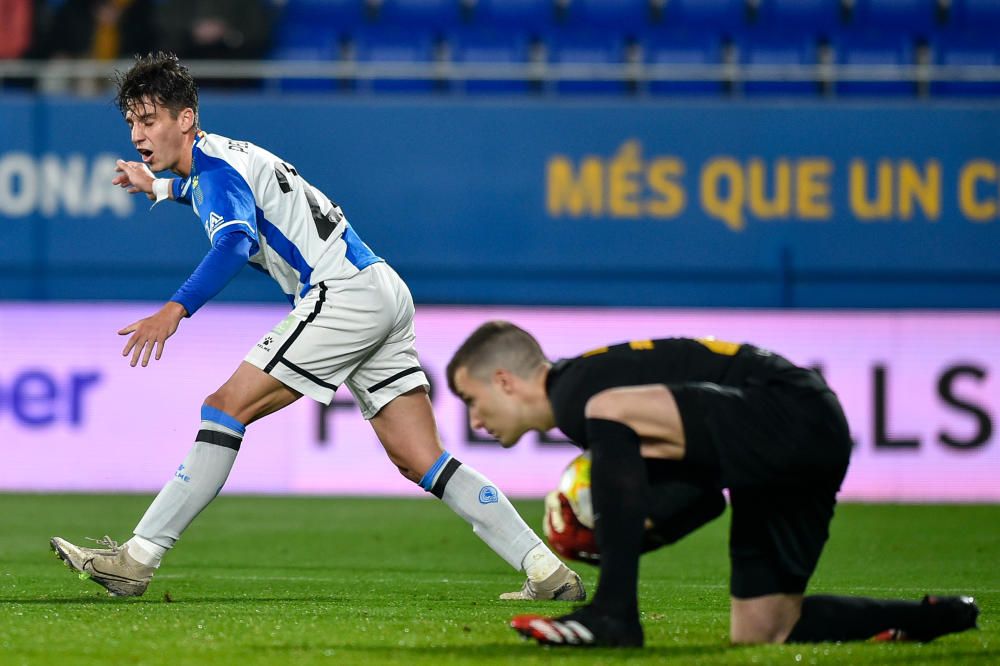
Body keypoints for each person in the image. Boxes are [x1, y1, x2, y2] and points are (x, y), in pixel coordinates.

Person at [49, 53, 584, 605]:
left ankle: (138, 558)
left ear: (185, 119)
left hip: (342, 294)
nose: (138, 134)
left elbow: (231, 241)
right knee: (420, 457)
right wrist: (157, 188)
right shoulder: (219, 160)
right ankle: (545, 569)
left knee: (226, 406)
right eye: (132, 122)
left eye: (149, 120)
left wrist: (176, 308)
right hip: (380, 287)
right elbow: (207, 194)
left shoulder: (215, 172)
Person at [446, 320, 980, 648]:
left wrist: (616, 530)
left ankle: (613, 616)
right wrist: (629, 529)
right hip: (802, 429)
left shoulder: (576, 393)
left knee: (606, 409)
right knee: (766, 629)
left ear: (504, 381)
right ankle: (933, 617)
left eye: (471, 401)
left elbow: (675, 467)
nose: (474, 421)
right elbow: (702, 500)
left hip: (787, 409)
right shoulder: (593, 402)